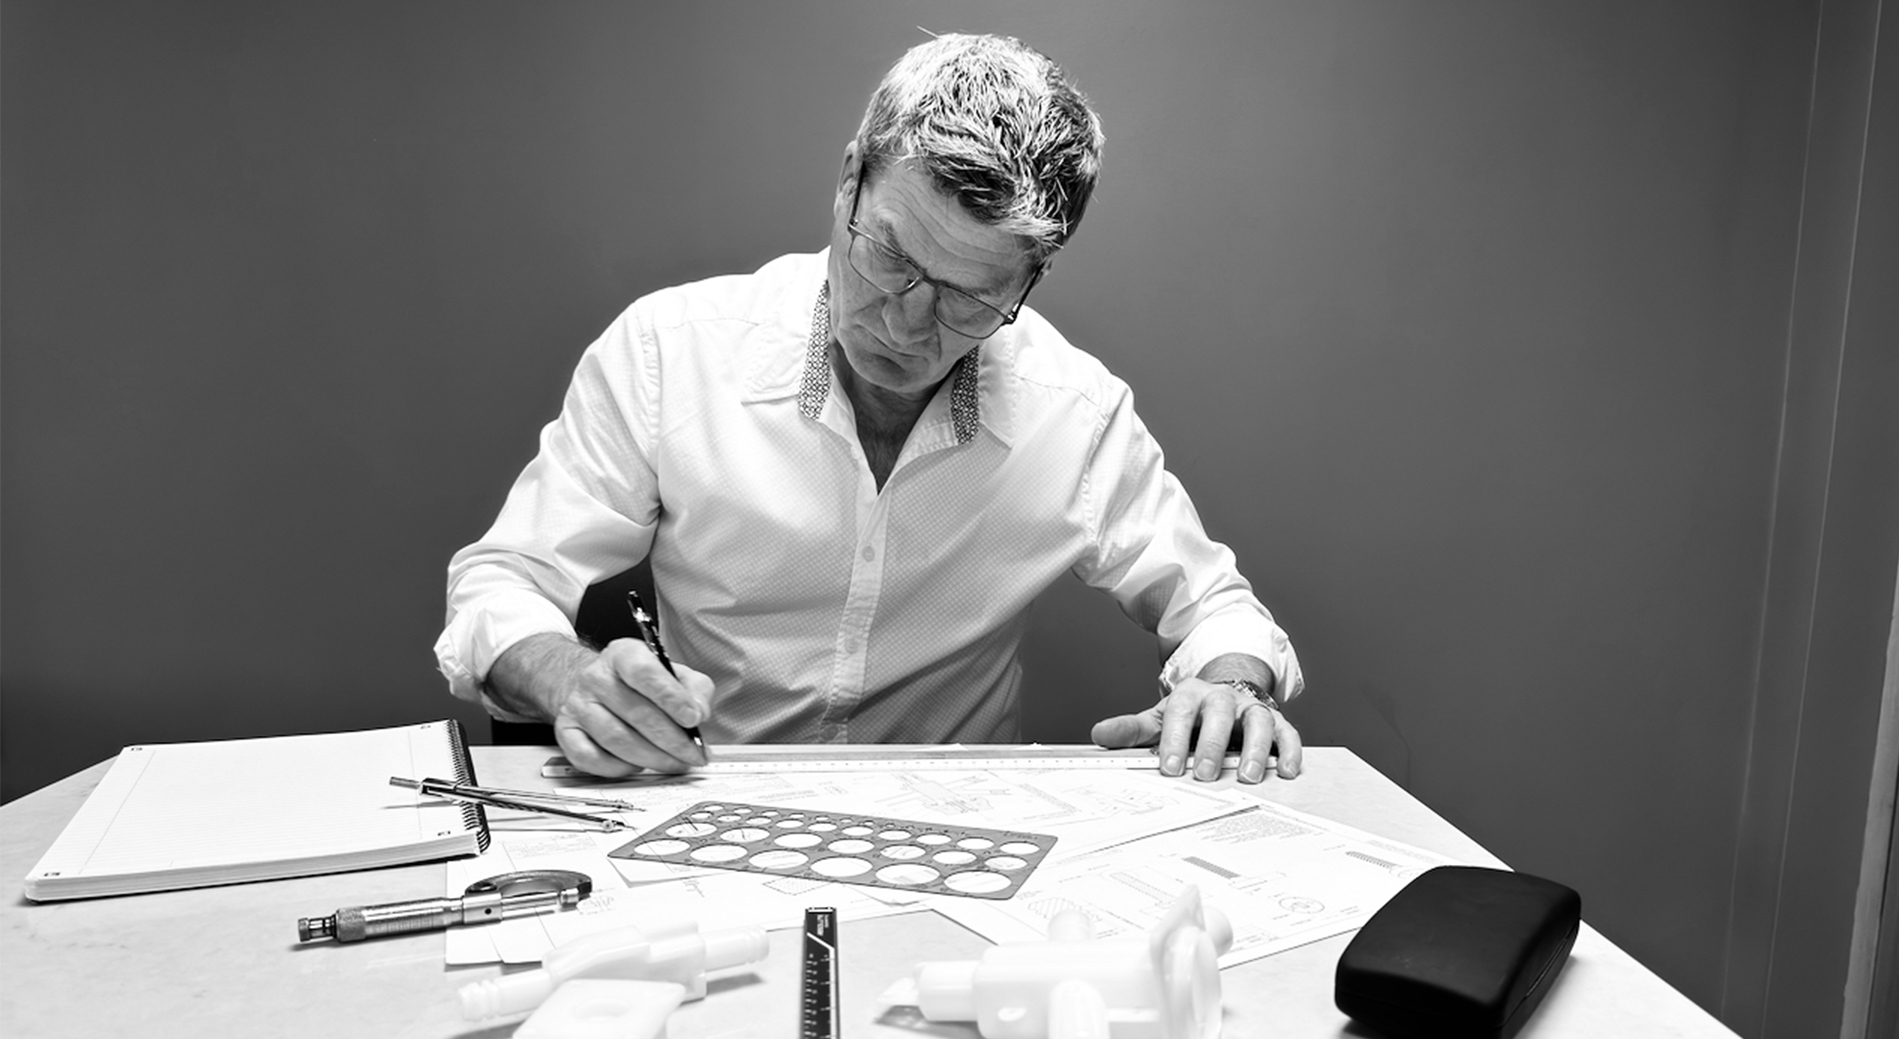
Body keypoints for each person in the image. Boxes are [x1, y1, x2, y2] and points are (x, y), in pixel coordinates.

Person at [436, 33, 1304, 784]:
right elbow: (501, 583)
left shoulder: (1072, 412)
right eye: (889, 255)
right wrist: (567, 680)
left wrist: (1229, 690)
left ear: (1030, 282)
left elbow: (1221, 609)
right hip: (703, 798)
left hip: (955, 835)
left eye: (969, 298)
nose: (905, 322)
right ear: (850, 178)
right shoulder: (672, 352)